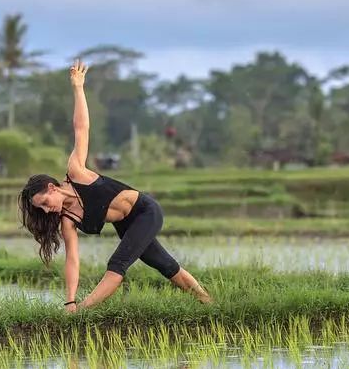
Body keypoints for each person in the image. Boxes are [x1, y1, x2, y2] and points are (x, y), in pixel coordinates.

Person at [18, 59, 212, 311]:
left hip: (145, 211)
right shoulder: (67, 219)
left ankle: (85, 312)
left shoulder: (76, 172)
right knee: (167, 266)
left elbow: (81, 129)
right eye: (41, 210)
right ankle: (210, 304)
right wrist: (69, 300)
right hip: (126, 224)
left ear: (52, 188)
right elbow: (72, 260)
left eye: (44, 203)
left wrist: (78, 88)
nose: (46, 210)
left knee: (117, 264)